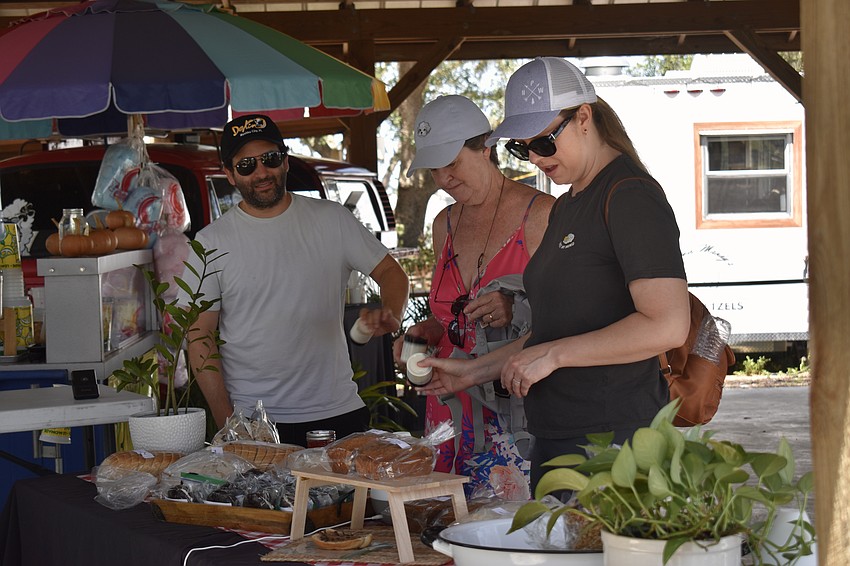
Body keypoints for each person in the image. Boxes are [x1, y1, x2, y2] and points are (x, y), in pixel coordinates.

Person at [416, 58, 690, 492]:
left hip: (611, 439)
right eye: (521, 148)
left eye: (543, 142)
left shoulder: (629, 195)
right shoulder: (568, 203)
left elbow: (669, 324)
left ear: (584, 117)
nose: (535, 158)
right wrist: (472, 372)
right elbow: (554, 331)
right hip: (557, 434)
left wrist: (556, 355)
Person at [180, 114, 409, 446]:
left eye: (270, 159)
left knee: (349, 500)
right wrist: (226, 422)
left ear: (285, 161)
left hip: (337, 412)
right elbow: (199, 335)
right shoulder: (210, 242)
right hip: (255, 422)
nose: (261, 172)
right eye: (246, 165)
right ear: (229, 173)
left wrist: (391, 312)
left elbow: (391, 272)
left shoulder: (332, 220)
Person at [398, 95, 554, 499]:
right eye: (434, 169)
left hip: (515, 407)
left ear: (485, 148)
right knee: (446, 528)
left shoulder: (540, 214)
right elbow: (454, 319)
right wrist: (423, 334)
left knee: (516, 535)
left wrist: (515, 307)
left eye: (451, 163)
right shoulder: (443, 223)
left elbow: (568, 318)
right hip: (449, 407)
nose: (444, 178)